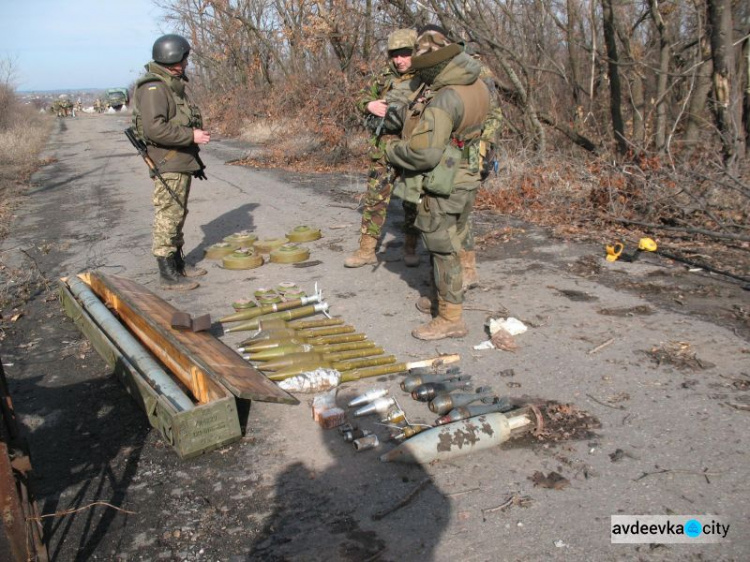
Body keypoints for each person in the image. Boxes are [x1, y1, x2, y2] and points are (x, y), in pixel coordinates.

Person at [385, 26, 490, 340]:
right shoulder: (478, 84)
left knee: (442, 248)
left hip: (445, 180)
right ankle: (450, 295)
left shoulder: (445, 99)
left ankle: (450, 317)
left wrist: (393, 150)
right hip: (468, 173)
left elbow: (424, 155)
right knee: (456, 238)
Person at [132, 34, 211, 291]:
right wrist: (191, 135)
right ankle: (167, 274)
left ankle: (178, 265)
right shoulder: (154, 87)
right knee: (168, 215)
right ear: (174, 57)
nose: (187, 62)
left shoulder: (170, 83)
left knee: (178, 213)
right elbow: (155, 129)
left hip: (179, 160)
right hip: (169, 161)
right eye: (185, 57)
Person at [344, 29, 421, 268]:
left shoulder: (425, 77)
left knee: (412, 200)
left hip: (413, 147)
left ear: (414, 52)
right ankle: (367, 250)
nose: (399, 59)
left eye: (404, 54)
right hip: (384, 149)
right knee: (375, 198)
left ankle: (410, 247)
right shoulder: (384, 75)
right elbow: (360, 96)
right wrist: (369, 104)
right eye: (395, 54)